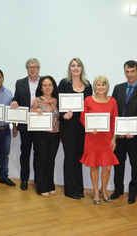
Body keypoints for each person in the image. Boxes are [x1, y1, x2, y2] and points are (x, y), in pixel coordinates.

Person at [111, 60, 137, 204]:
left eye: (132, 71)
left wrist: (133, 131)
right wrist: (117, 132)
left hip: (135, 137)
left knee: (135, 166)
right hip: (119, 135)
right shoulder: (118, 88)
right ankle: (118, 190)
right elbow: (114, 110)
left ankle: (133, 192)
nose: (130, 74)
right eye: (127, 72)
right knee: (118, 164)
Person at [80, 75, 119, 205]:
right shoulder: (88, 100)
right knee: (95, 166)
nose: (101, 87)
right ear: (94, 87)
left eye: (103, 85)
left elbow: (115, 120)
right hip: (92, 139)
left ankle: (104, 190)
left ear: (107, 87)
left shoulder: (113, 101)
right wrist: (89, 128)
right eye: (98, 85)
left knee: (107, 168)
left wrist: (114, 138)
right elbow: (82, 118)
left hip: (107, 139)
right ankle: (96, 191)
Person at [58, 58, 93, 199]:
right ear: (70, 68)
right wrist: (63, 115)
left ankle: (79, 189)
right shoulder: (64, 83)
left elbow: (91, 106)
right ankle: (70, 190)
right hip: (68, 125)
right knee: (70, 156)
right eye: (73, 65)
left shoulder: (88, 85)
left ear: (82, 68)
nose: (76, 68)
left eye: (78, 65)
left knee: (79, 157)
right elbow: (58, 104)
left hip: (82, 126)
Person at [10, 58, 40, 190]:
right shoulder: (19, 83)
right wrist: (14, 102)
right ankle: (24, 179)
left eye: (34, 66)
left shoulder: (45, 82)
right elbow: (16, 99)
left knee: (39, 153)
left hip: (40, 123)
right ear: (26, 69)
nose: (32, 69)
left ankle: (38, 180)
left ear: (39, 68)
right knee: (25, 152)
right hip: (25, 124)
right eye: (29, 67)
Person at [30, 76, 60, 197]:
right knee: (41, 160)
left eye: (50, 85)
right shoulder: (37, 101)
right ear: (41, 88)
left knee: (50, 161)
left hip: (55, 134)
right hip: (40, 135)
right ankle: (41, 187)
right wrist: (35, 112)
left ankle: (50, 185)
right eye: (45, 85)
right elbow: (30, 116)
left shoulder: (57, 101)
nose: (47, 87)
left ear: (53, 87)